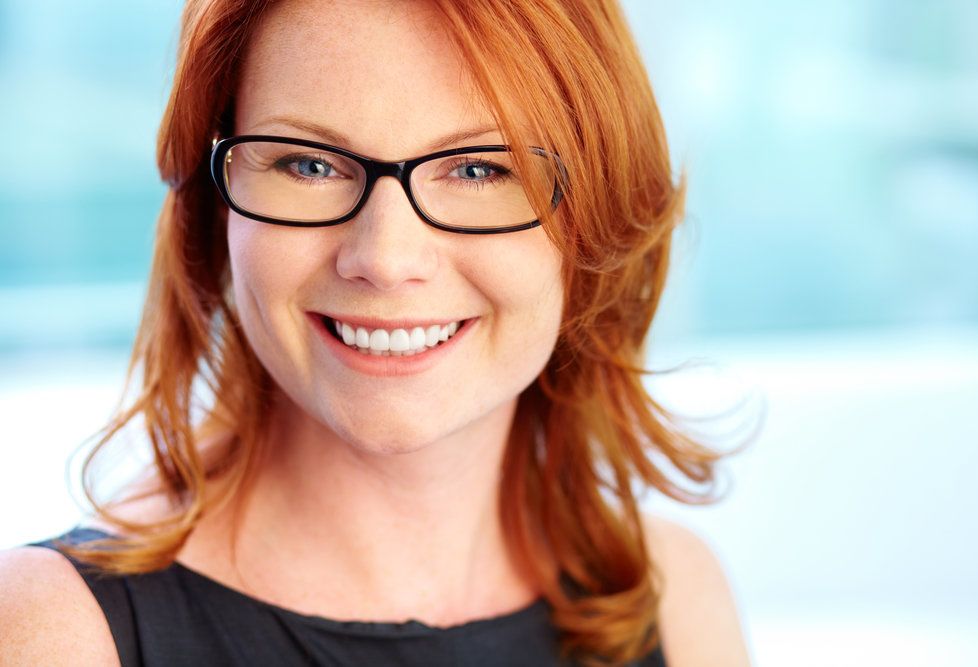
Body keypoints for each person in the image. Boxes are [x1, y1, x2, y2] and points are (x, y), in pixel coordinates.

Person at [0, 0, 752, 665]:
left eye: (479, 170)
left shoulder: (672, 596)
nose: (385, 260)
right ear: (215, 208)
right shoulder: (52, 634)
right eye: (308, 163)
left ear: (597, 214)